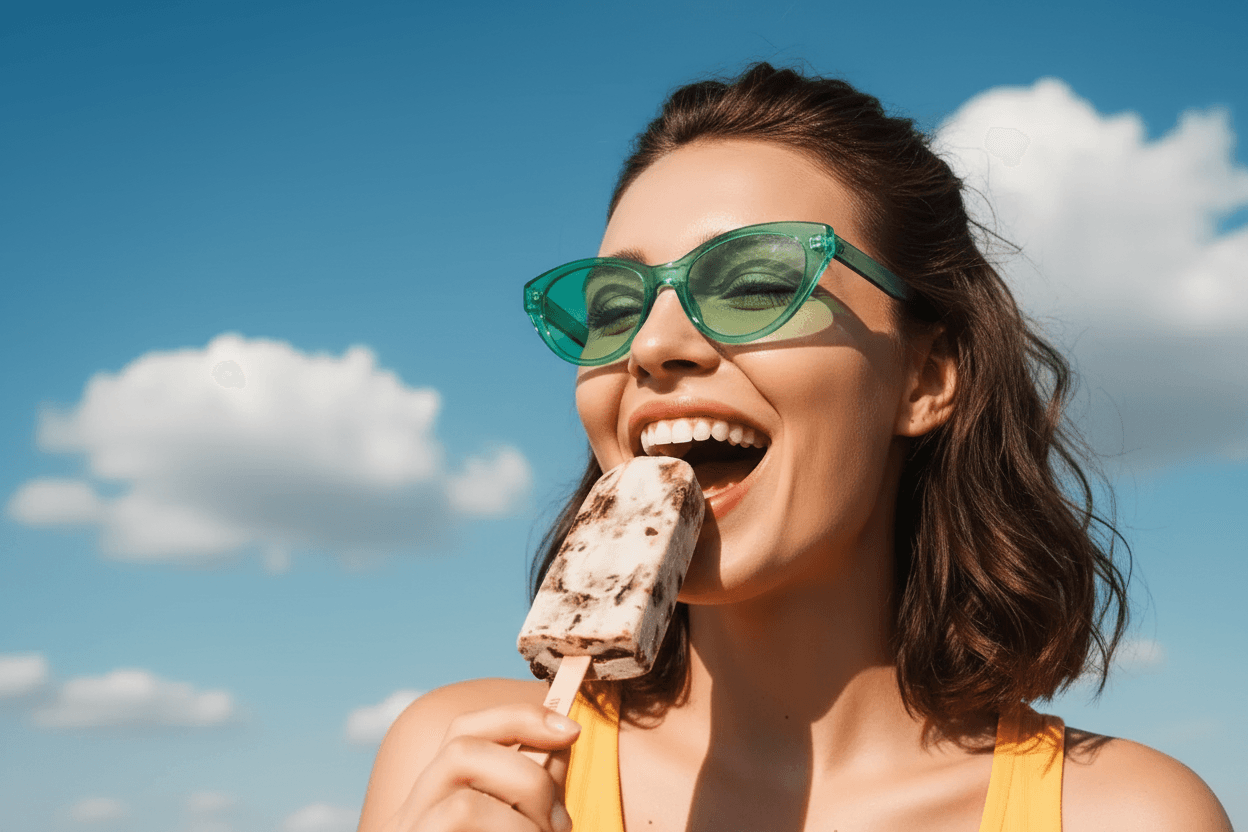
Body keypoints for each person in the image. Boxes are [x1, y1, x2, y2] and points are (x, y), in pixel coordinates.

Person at [357, 64, 1231, 832]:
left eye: (759, 284)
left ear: (926, 376)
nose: (653, 345)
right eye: (614, 305)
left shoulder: (1124, 816)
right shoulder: (462, 766)